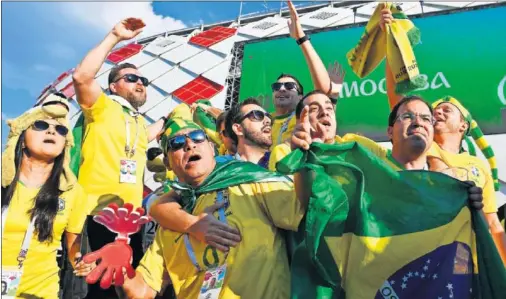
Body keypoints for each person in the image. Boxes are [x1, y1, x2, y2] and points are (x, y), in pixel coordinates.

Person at [120, 119, 305, 298]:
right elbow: (142, 291)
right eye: (176, 143)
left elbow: (307, 210)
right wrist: (119, 270)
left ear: (212, 147)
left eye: (197, 136)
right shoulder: (170, 222)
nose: (190, 145)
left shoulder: (251, 183)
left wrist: (305, 159)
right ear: (167, 163)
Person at [72, 17, 167, 298]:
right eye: (131, 78)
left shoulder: (136, 122)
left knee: (128, 288)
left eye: (143, 80)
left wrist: (174, 116)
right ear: (113, 86)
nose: (140, 83)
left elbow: (146, 136)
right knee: (99, 289)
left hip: (132, 219)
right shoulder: (101, 106)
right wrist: (114, 36)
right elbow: (81, 78)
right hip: (97, 213)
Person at [1, 94, 93, 299]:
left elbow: (73, 242)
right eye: (41, 125)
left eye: (60, 130)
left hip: (42, 291)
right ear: (21, 139)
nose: (52, 130)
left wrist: (81, 258)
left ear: (65, 145)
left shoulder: (73, 192)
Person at [225, 98, 273, 167]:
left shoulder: (281, 164)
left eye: (268, 116)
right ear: (238, 129)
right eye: (257, 115)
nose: (268, 120)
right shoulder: (225, 172)